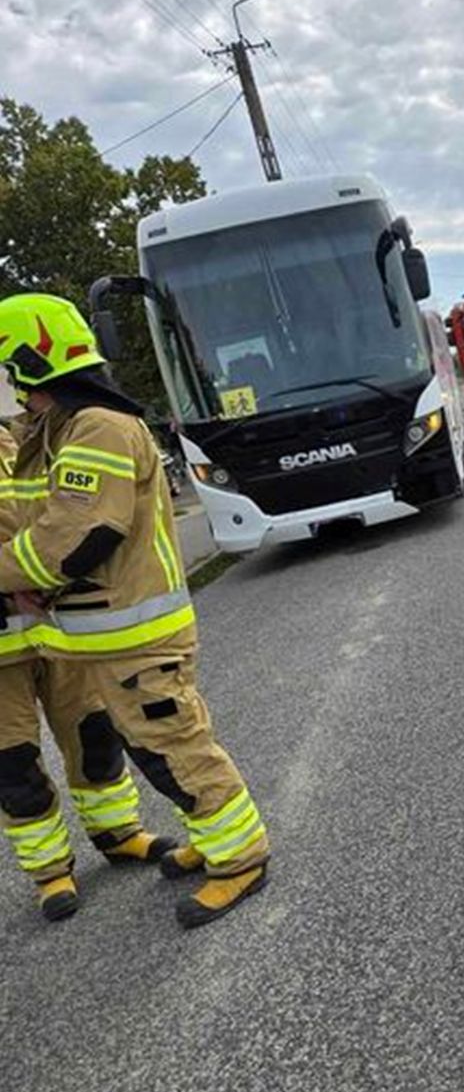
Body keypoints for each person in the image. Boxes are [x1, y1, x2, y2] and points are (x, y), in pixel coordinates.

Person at [0, 294, 269, 928]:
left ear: (31, 364)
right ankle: (216, 840)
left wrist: (19, 575)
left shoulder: (97, 428)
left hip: (135, 639)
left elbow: (74, 537)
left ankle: (241, 859)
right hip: (111, 637)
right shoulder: (73, 427)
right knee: (163, 748)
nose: (13, 392)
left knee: (172, 749)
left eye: (12, 374)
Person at [0, 417, 178, 919]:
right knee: (13, 763)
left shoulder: (24, 435)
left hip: (56, 625)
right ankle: (50, 870)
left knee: (95, 735)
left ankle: (118, 833)